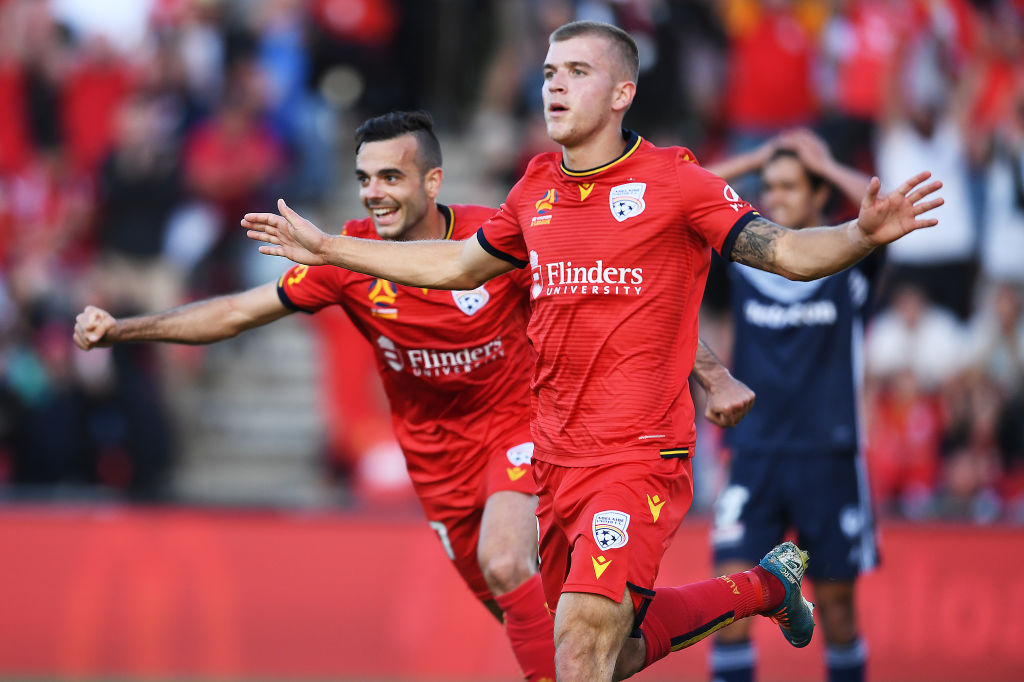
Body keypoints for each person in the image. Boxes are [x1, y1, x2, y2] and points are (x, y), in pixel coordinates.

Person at [242, 22, 942, 682]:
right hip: (554, 460)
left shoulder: (677, 182)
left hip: (638, 455)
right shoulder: (535, 189)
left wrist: (860, 235)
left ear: (621, 93)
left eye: (576, 72)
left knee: (578, 638)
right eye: (549, 72)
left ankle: (759, 587)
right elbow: (456, 266)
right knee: (611, 651)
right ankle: (763, 586)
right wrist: (330, 247)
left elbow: (785, 251)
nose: (554, 85)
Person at [74, 110, 753, 682]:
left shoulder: (500, 234)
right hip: (436, 462)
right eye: (365, 177)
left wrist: (713, 373)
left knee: (507, 561)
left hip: (525, 429)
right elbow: (235, 314)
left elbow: (614, 296)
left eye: (391, 177)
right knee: (595, 649)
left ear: (432, 181)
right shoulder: (347, 258)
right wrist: (125, 330)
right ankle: (761, 588)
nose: (374, 192)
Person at [704, 129, 880, 682]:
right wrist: (755, 156)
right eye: (768, 186)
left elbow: (891, 210)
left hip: (827, 456)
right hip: (753, 453)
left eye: (789, 186)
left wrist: (826, 161)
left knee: (837, 613)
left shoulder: (851, 257)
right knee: (728, 611)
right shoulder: (741, 262)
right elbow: (684, 193)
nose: (774, 197)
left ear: (820, 195)